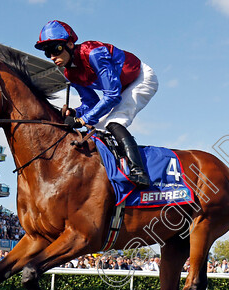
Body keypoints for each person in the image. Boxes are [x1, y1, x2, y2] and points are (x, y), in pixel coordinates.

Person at [34, 20, 158, 187]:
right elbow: (91, 102)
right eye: (47, 53)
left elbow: (112, 96)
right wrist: (76, 113)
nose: (52, 57)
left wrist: (83, 120)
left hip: (141, 78)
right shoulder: (70, 73)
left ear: (70, 44)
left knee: (114, 122)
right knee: (96, 129)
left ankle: (139, 171)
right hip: (121, 88)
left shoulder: (94, 53)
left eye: (55, 49)